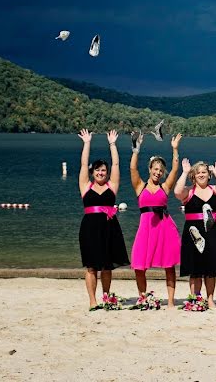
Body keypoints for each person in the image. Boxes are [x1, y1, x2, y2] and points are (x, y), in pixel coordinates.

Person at [174, 158, 216, 308]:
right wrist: (184, 172)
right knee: (195, 268)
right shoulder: (189, 192)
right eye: (198, 173)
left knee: (211, 268)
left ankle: (210, 300)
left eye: (204, 172)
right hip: (193, 233)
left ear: (208, 175)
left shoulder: (214, 189)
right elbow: (177, 192)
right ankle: (195, 299)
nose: (201, 175)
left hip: (213, 231)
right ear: (193, 176)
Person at [77, 128, 129, 311]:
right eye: (98, 170)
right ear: (93, 172)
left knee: (107, 266)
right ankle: (93, 301)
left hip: (109, 228)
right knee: (92, 267)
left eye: (103, 171)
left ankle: (106, 298)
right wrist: (87, 143)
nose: (101, 173)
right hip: (90, 229)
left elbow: (116, 164)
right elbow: (83, 165)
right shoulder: (85, 186)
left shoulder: (112, 186)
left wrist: (112, 144)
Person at [129, 131, 182, 306]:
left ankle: (171, 301)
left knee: (169, 265)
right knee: (138, 264)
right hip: (145, 229)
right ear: (150, 169)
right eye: (155, 169)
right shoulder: (140, 186)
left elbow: (175, 168)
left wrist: (175, 149)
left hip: (164, 228)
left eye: (161, 170)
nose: (158, 172)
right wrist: (136, 150)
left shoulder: (165, 187)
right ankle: (143, 298)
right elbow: (132, 169)